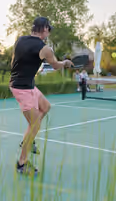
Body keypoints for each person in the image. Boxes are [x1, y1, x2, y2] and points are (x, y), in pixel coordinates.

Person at [9, 16, 74, 174]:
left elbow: (13, 61)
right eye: (49, 29)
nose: (49, 32)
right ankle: (22, 164)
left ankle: (27, 140)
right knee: (35, 124)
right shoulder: (45, 49)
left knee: (45, 106)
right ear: (44, 29)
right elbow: (56, 66)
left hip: (26, 85)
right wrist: (65, 63)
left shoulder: (20, 40)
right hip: (22, 89)